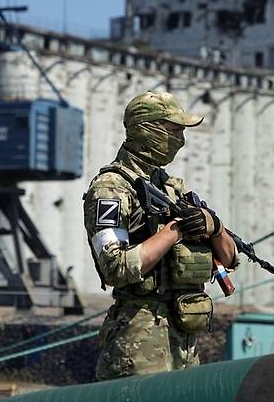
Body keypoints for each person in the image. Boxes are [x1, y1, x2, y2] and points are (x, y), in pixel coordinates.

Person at [83, 90, 239, 381]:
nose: (180, 139)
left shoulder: (172, 189)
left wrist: (213, 226)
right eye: (173, 130)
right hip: (139, 341)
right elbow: (115, 268)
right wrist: (174, 230)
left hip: (184, 338)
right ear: (146, 130)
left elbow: (229, 259)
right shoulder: (110, 189)